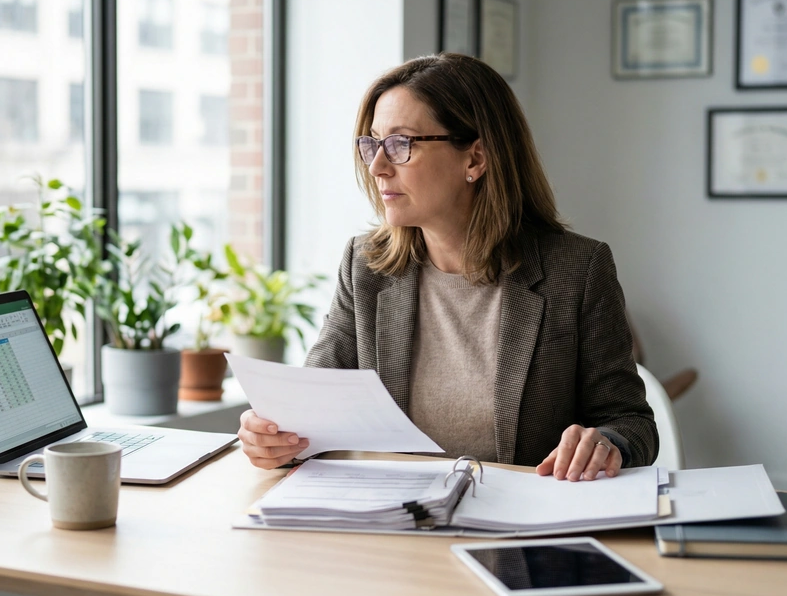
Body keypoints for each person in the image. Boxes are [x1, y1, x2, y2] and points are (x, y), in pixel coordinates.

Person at [238, 53, 657, 482]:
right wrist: (275, 440)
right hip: (395, 524)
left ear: (475, 159)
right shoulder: (365, 266)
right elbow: (310, 414)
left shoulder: (578, 270)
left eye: (401, 145)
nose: (378, 167)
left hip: (521, 528)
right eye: (372, 144)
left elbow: (632, 422)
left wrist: (607, 443)